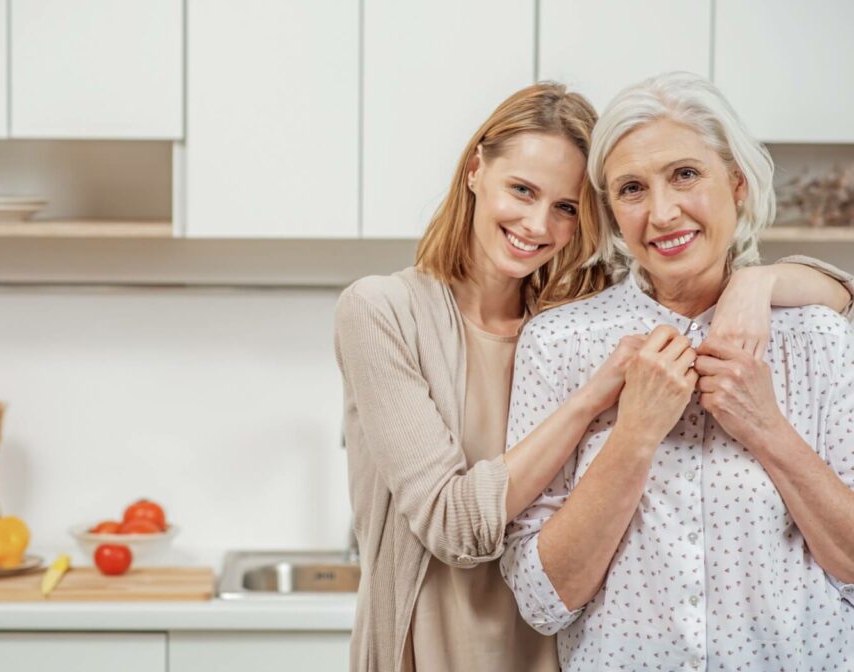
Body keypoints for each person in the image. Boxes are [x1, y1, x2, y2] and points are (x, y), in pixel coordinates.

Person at [335, 81, 852, 672]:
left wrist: (758, 282)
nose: (537, 224)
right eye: (522, 190)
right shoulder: (543, 334)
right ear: (475, 169)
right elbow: (461, 530)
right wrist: (615, 413)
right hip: (439, 645)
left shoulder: (571, 304)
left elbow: (821, 291)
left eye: (564, 207)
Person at [502, 71, 854, 671]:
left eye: (685, 175)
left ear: (737, 184)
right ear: (612, 213)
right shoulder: (560, 341)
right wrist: (634, 434)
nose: (662, 212)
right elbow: (542, 599)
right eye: (632, 189)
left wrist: (767, 428)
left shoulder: (816, 336)